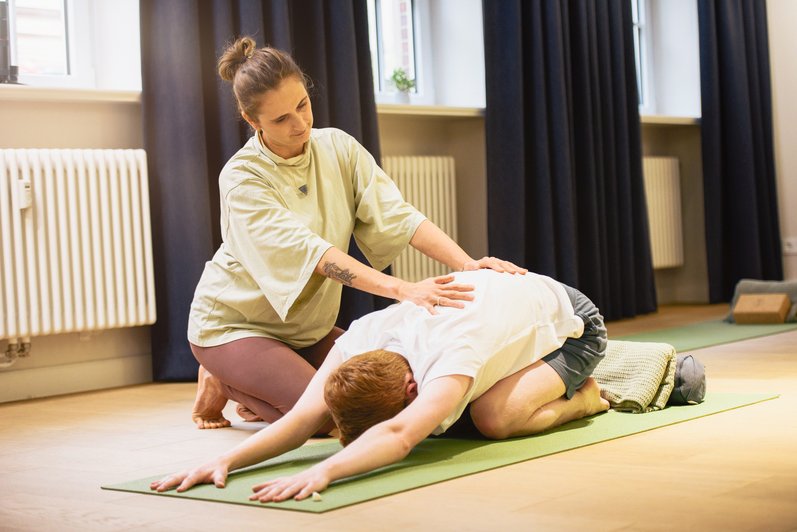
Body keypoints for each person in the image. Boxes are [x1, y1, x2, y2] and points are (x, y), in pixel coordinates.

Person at [188, 36, 526, 431]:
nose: (300, 124)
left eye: (303, 105)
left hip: (307, 330)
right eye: (281, 119)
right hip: (235, 326)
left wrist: (467, 264)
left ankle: (256, 386)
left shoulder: (338, 148)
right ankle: (224, 377)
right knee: (326, 419)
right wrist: (404, 289)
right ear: (252, 121)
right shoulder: (242, 178)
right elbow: (314, 256)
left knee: (389, 393)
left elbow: (398, 216)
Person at [151, 269, 610, 502]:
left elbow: (400, 434)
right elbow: (301, 420)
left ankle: (586, 398)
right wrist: (224, 460)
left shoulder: (451, 355)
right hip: (500, 308)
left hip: (574, 322)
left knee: (493, 418)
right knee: (458, 416)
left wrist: (323, 472)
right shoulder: (360, 339)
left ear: (411, 389)